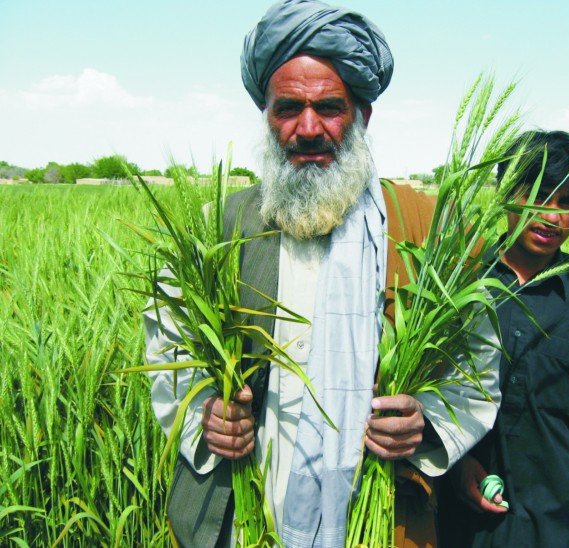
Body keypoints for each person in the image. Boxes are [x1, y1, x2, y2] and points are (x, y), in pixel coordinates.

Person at [144, 1, 501, 546]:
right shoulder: (220, 224)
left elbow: (477, 361)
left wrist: (424, 422)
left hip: (377, 512)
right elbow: (168, 347)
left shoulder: (425, 228)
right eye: (287, 108)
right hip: (241, 513)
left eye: (329, 108)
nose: (308, 129)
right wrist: (205, 415)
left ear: (362, 116)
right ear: (265, 115)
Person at [439, 130, 569, 547]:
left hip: (555, 503)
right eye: (540, 195)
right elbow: (430, 382)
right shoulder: (462, 280)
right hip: (464, 505)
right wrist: (456, 462)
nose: (552, 216)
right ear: (507, 192)